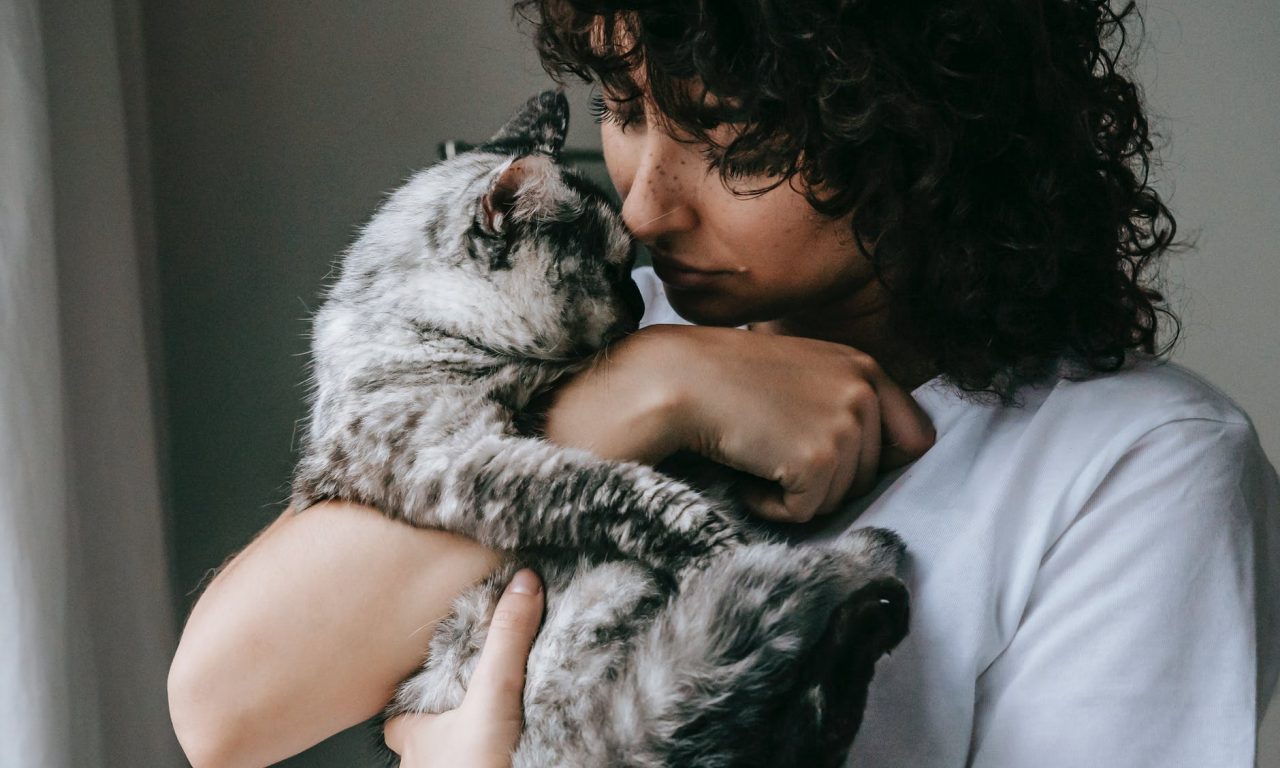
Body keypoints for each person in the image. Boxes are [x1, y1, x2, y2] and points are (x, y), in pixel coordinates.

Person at [167, 1, 1280, 766]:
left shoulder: (1137, 467)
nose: (644, 207)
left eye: (736, 147)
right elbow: (225, 708)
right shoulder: (602, 340)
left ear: (928, 134)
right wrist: (643, 393)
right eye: (623, 108)